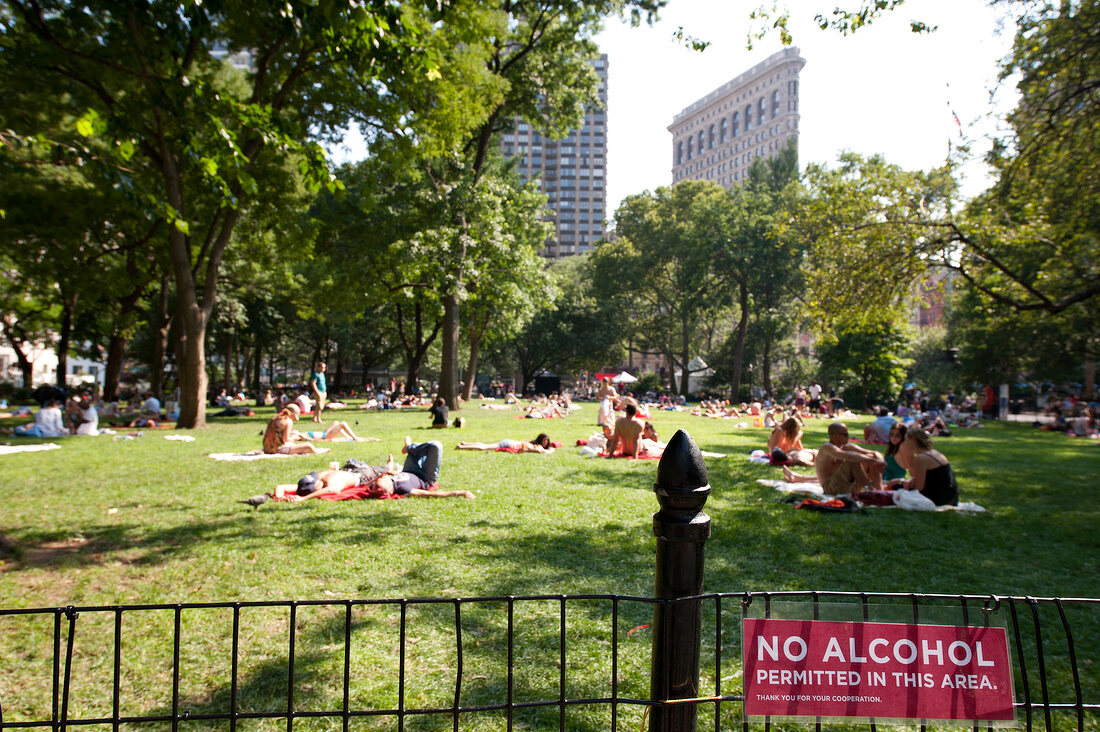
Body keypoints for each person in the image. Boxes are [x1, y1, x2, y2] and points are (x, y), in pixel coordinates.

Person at [782, 422, 885, 495]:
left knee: (868, 459)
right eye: (845, 435)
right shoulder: (827, 448)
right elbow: (848, 456)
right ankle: (871, 492)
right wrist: (873, 460)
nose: (848, 437)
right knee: (854, 461)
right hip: (831, 489)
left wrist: (879, 460)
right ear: (835, 436)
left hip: (846, 486)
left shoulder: (847, 447)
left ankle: (879, 490)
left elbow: (873, 453)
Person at [894, 427, 958, 506]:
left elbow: (919, 487)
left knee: (896, 486)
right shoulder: (933, 452)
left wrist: (902, 482)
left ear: (913, 440)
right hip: (950, 497)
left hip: (939, 499)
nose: (905, 443)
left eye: (906, 440)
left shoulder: (921, 458)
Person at [262, 403, 330, 455]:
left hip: (266, 448)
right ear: (292, 414)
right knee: (309, 446)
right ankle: (317, 451)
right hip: (276, 450)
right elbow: (286, 440)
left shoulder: (275, 418)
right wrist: (295, 437)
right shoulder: (288, 421)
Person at [456, 433, 555, 453]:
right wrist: (551, 449)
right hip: (508, 444)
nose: (546, 443)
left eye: (547, 441)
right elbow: (543, 452)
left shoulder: (532, 443)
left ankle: (465, 444)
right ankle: (461, 447)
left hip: (509, 442)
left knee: (485, 445)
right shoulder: (537, 446)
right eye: (544, 441)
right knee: (484, 447)